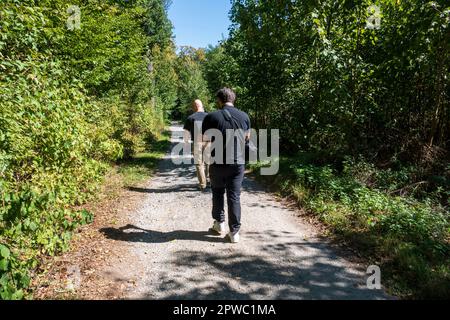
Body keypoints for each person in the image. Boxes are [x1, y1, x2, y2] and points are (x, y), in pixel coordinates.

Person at [202, 88, 251, 244]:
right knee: (234, 196)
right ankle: (234, 232)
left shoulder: (211, 116)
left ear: (219, 100)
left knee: (217, 192)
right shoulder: (244, 116)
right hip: (237, 163)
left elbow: (205, 138)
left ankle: (219, 224)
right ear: (233, 99)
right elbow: (247, 138)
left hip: (218, 162)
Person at [183, 99, 210, 191]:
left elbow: (186, 133)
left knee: (199, 163)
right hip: (209, 141)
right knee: (208, 162)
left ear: (195, 107)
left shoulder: (190, 118)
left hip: (197, 142)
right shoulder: (209, 116)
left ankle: (203, 184)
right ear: (202, 106)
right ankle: (208, 181)